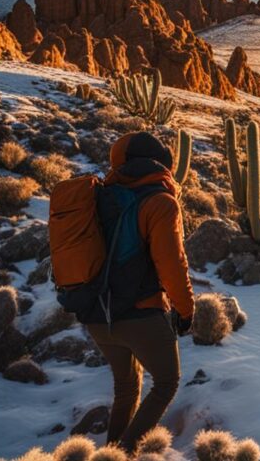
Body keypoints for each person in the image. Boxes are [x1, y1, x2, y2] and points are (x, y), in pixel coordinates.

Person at [81, 132, 195, 452]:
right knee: (167, 382)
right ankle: (125, 455)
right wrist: (185, 311)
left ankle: (111, 452)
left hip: (96, 314)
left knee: (127, 387)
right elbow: (172, 265)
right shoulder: (159, 201)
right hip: (139, 313)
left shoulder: (101, 195)